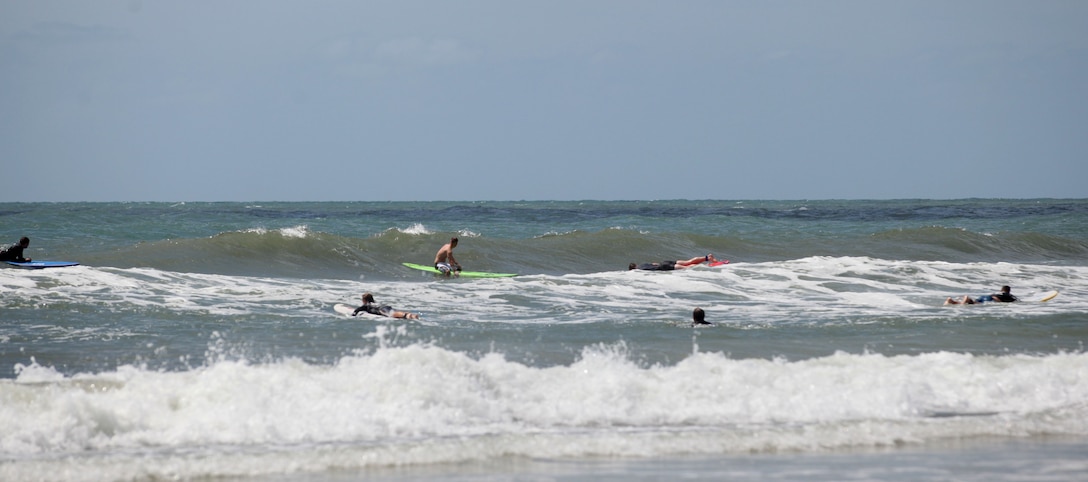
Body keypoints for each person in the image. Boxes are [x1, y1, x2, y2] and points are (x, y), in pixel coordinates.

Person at [352, 293, 420, 319]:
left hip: (381, 309)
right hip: (385, 306)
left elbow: (356, 311)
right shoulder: (375, 303)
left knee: (391, 314)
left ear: (365, 300)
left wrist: (352, 316)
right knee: (393, 313)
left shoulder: (366, 305)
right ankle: (410, 315)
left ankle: (408, 315)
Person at [629, 254, 718, 271]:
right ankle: (708, 257)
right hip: (664, 262)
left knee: (687, 268)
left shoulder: (639, 269)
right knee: (688, 262)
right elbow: (654, 263)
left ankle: (708, 265)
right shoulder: (643, 264)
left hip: (664, 267)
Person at [944, 285, 1019, 305]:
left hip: (986, 296)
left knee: (974, 303)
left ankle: (951, 301)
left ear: (1001, 290)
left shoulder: (998, 292)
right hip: (991, 299)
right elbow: (1016, 301)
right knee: (975, 304)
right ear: (1009, 291)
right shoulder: (1009, 295)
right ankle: (966, 299)